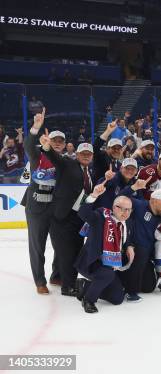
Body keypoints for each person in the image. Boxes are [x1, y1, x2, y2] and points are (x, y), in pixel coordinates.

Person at [40, 131, 95, 297]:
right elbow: (53, 156)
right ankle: (68, 286)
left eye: (89, 154)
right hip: (62, 217)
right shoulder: (67, 164)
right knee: (67, 253)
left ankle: (57, 277)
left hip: (77, 219)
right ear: (76, 154)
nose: (86, 156)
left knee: (72, 251)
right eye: (82, 153)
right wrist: (46, 146)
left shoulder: (89, 173)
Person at [75, 184, 135, 313]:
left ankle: (85, 286)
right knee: (106, 274)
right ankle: (89, 300)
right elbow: (83, 213)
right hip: (91, 263)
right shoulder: (100, 217)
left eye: (128, 210)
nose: (124, 213)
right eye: (121, 208)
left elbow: (126, 239)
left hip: (110, 266)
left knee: (117, 298)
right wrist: (93, 196)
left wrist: (130, 246)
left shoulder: (128, 222)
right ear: (114, 207)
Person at [20, 108, 61, 294]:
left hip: (56, 207)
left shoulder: (64, 161)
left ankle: (56, 275)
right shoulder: (38, 156)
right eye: (54, 141)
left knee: (61, 243)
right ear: (48, 141)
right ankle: (39, 281)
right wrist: (35, 127)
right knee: (37, 245)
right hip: (36, 207)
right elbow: (28, 145)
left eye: (61, 141)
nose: (58, 144)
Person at [118, 177, 161, 302]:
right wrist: (133, 188)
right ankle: (130, 291)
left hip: (147, 254)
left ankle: (124, 281)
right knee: (142, 250)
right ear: (154, 200)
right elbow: (120, 199)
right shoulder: (139, 205)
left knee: (148, 287)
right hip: (132, 249)